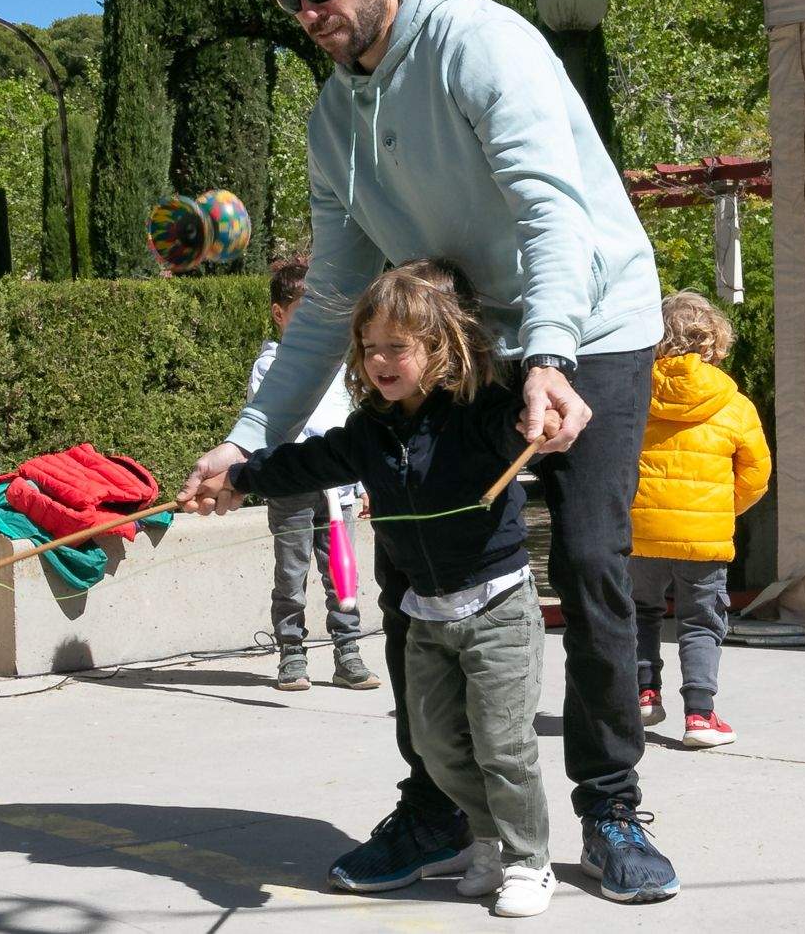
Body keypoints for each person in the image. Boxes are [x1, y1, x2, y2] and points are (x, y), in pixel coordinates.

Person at [178, 0, 678, 905]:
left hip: (591, 314)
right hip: (463, 343)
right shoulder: (331, 125)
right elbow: (325, 307)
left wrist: (550, 354)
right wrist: (244, 441)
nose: (309, 15)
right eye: (288, 0)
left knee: (586, 562)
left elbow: (554, 214)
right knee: (414, 555)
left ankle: (611, 804)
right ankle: (437, 803)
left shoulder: (477, 44)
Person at [200, 260, 559, 917]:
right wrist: (240, 476)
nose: (381, 360)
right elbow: (303, 462)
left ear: (439, 348)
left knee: (503, 742)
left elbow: (530, 424)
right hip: (427, 613)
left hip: (499, 606)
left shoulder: (480, 413)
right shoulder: (369, 431)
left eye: (398, 346)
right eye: (370, 348)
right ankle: (484, 839)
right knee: (436, 746)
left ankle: (529, 859)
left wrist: (548, 418)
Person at [629, 292, 770, 748]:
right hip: (705, 536)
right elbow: (756, 475)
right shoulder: (735, 404)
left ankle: (643, 694)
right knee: (701, 623)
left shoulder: (634, 395)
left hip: (641, 531)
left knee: (639, 612)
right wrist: (719, 512)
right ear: (714, 344)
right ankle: (700, 718)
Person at [248, 256, 378, 692]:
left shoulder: (342, 368)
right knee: (291, 572)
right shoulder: (271, 366)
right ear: (279, 314)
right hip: (292, 486)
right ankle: (291, 653)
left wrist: (359, 482)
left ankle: (348, 652)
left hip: (337, 489)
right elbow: (282, 422)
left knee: (342, 574)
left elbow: (351, 425)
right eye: (302, 314)